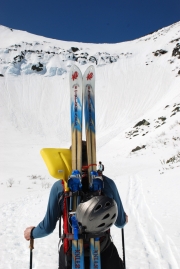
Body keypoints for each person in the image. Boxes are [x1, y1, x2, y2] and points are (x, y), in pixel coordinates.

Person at [24, 141, 128, 269]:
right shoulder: (107, 183)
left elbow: (47, 227)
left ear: (71, 159)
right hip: (103, 253)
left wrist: (32, 232)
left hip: (71, 256)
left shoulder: (60, 187)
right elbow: (120, 222)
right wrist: (124, 218)